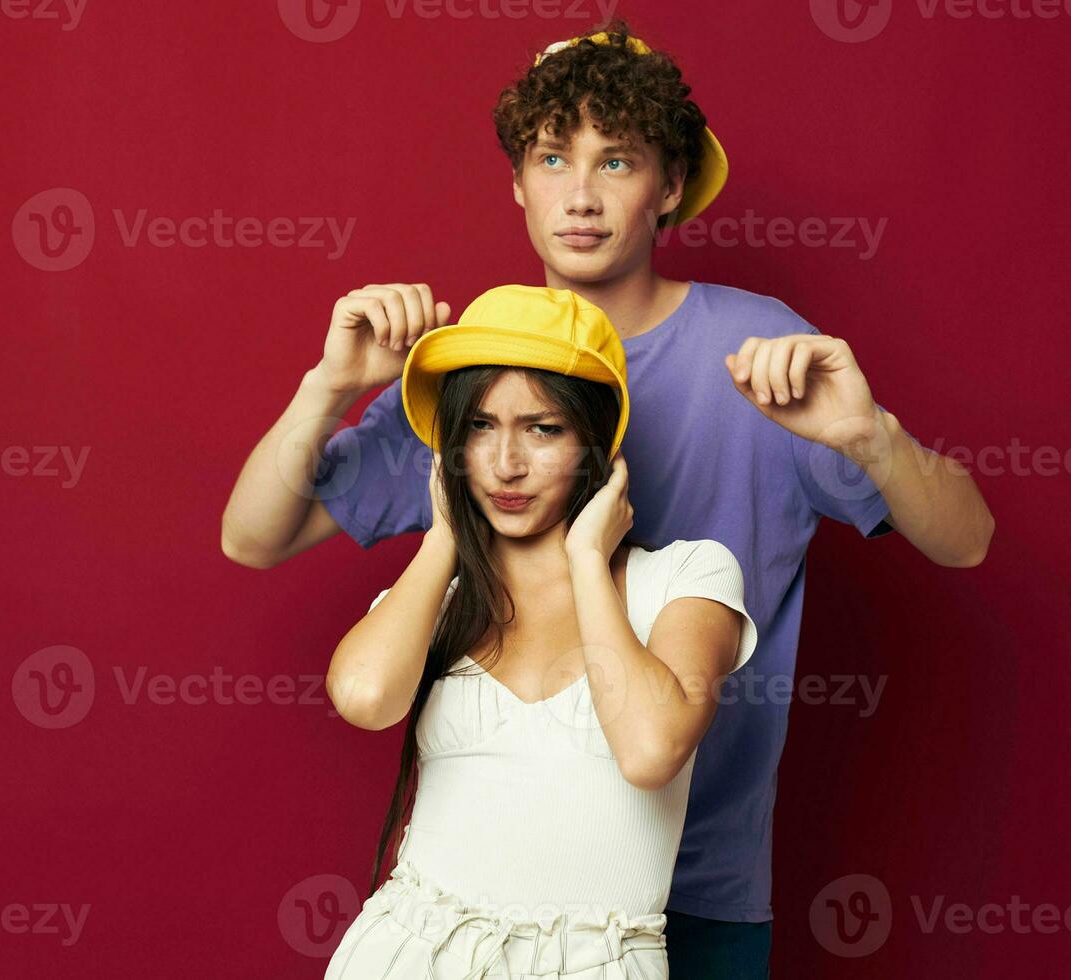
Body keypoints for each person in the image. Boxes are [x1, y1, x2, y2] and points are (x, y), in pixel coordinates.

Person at [221, 21, 994, 978]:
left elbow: (967, 542)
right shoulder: (488, 368)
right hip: (487, 903)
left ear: (668, 187)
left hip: (700, 883)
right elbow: (255, 537)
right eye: (552, 157)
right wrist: (327, 386)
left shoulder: (762, 351)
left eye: (617, 160)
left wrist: (870, 434)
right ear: (517, 180)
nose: (580, 195)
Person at [323, 284, 758, 979]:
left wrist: (588, 561)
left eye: (543, 428)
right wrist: (442, 538)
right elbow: (366, 697)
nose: (506, 464)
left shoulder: (685, 578)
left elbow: (650, 752)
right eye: (480, 428)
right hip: (410, 952)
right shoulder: (434, 600)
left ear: (596, 443)